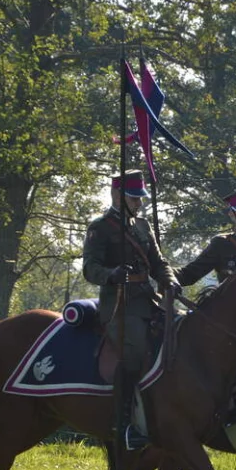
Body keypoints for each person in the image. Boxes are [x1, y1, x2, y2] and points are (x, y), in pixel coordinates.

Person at [82, 171, 179, 450]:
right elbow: (90, 267)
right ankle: (123, 423)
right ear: (117, 195)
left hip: (150, 300)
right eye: (133, 197)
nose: (139, 203)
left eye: (140, 198)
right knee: (134, 354)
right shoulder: (100, 228)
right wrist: (112, 274)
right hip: (119, 305)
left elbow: (159, 262)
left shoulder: (143, 226)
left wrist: (169, 280)